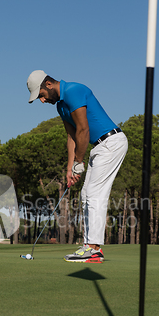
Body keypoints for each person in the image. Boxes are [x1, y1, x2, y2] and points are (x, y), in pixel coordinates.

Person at [27, 70, 128, 263]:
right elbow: (72, 137)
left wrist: (79, 162)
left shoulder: (73, 91)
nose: (42, 100)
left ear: (48, 85)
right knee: (85, 196)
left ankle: (94, 250)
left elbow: (83, 129)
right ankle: (89, 245)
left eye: (40, 95)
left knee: (95, 194)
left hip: (111, 142)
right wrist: (69, 168)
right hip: (98, 147)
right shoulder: (61, 107)